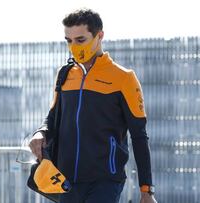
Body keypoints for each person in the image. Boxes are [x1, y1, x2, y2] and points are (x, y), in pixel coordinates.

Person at [29, 9, 157, 203]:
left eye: (80, 40)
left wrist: (146, 190)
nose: (73, 47)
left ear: (99, 36)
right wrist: (41, 132)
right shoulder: (63, 75)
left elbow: (139, 136)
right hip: (65, 181)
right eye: (68, 41)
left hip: (105, 181)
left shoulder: (124, 78)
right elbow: (53, 118)